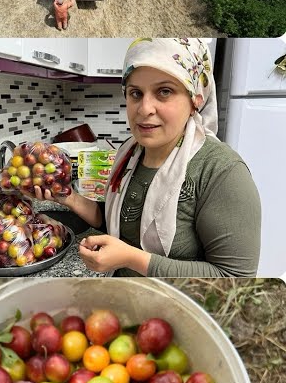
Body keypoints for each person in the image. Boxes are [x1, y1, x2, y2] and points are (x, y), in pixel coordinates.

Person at [35, 38, 260, 277]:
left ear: (195, 100)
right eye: (135, 93)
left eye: (164, 91)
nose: (144, 109)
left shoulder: (222, 172)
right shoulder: (130, 153)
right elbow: (119, 223)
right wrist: (68, 197)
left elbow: (235, 276)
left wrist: (131, 259)